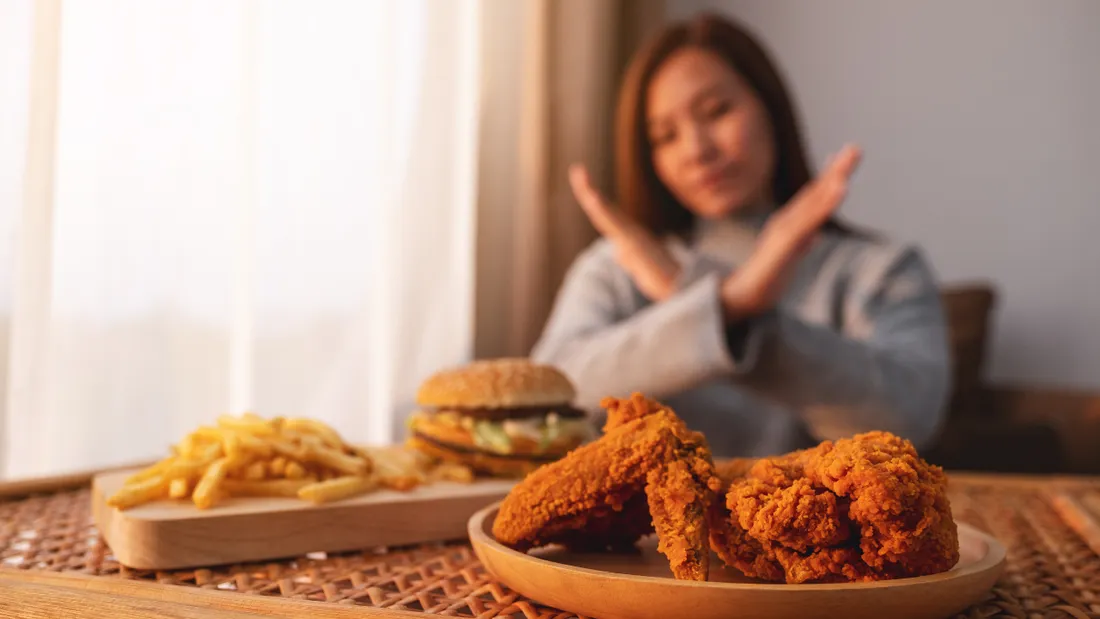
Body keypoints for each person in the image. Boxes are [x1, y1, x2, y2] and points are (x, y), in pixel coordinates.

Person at [530, 13, 951, 458]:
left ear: (769, 106)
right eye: (665, 136)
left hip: (820, 524)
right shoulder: (618, 264)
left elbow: (909, 418)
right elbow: (551, 396)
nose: (697, 150)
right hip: (641, 526)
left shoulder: (880, 267)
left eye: (717, 111)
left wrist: (699, 298)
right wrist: (727, 306)